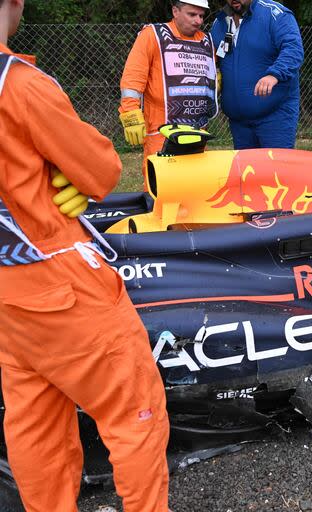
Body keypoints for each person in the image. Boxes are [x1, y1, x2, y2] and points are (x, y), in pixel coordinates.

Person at [0, 0, 170, 510]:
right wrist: (64, 174)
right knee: (134, 411)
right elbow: (98, 171)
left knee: (35, 422)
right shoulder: (20, 84)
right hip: (60, 278)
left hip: (8, 297)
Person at [119, 0, 218, 167]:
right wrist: (130, 112)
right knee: (161, 186)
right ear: (175, 11)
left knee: (196, 184)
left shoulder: (207, 42)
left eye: (201, 15)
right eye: (192, 14)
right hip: (162, 132)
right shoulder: (153, 35)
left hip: (198, 130)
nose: (198, 21)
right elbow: (133, 76)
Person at [211, 0, 304, 149]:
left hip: (275, 116)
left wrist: (274, 74)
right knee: (248, 171)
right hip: (238, 122)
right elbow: (213, 59)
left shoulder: (275, 14)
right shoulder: (219, 22)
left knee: (275, 170)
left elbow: (293, 48)